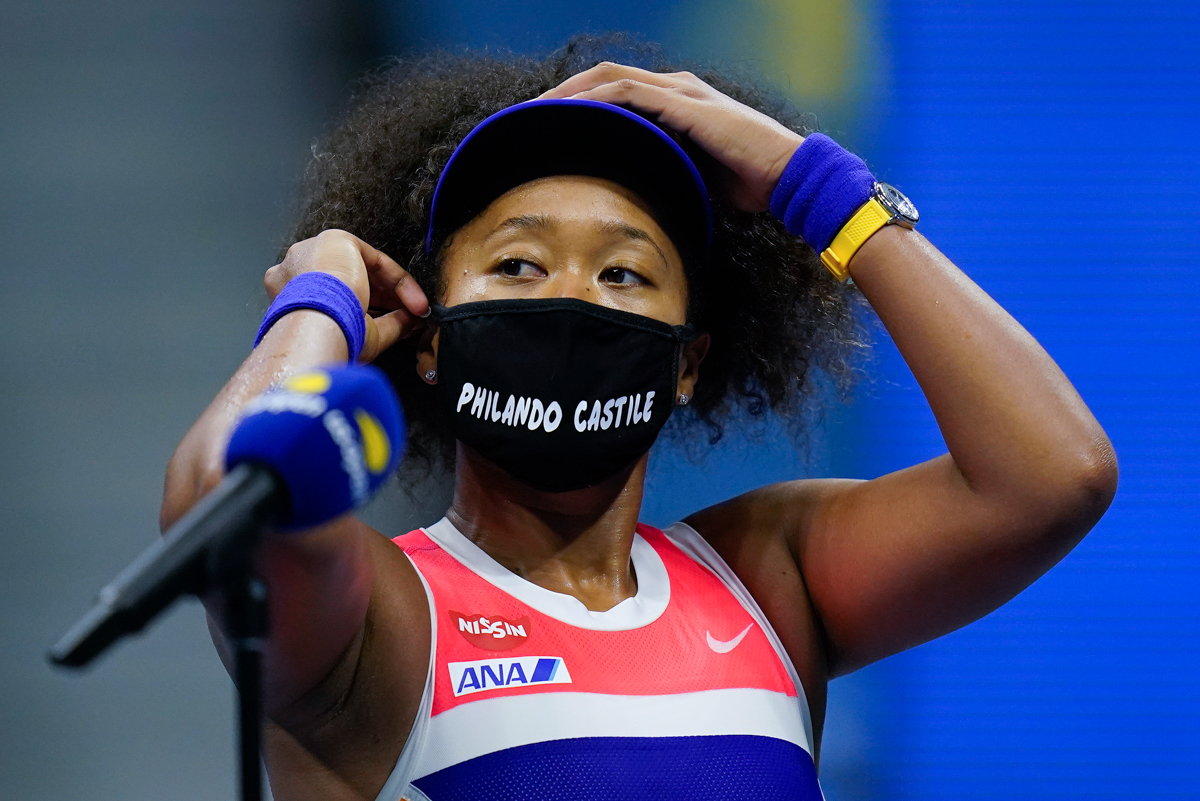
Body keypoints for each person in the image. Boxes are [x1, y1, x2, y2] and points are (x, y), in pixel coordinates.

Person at [161, 37, 1117, 801]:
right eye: (519, 266)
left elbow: (1054, 474)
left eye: (624, 274)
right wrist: (317, 305)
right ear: (432, 340)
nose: (572, 299)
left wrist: (818, 188)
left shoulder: (766, 580)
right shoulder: (381, 617)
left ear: (690, 361)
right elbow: (222, 507)